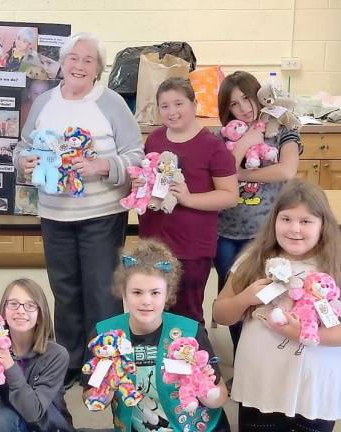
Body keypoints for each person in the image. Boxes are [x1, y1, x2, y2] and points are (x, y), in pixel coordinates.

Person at [14, 32, 143, 388]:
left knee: (102, 290)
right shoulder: (43, 103)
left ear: (99, 69)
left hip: (101, 214)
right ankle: (69, 361)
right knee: (65, 290)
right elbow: (23, 147)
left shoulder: (112, 103)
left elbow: (136, 156)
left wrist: (103, 166)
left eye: (89, 60)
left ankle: (105, 365)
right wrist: (22, 161)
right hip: (55, 213)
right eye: (73, 58)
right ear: (62, 63)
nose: (79, 65)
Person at [212, 179, 341, 432]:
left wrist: (301, 334)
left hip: (312, 390)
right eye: (286, 219)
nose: (294, 229)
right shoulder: (254, 259)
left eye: (306, 221)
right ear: (274, 221)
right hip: (261, 389)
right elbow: (220, 314)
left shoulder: (335, 266)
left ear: (323, 225)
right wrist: (245, 298)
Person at [82, 239, 230, 431]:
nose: (146, 301)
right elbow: (90, 398)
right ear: (123, 292)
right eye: (137, 292)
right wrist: (104, 389)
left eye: (155, 293)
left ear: (167, 294)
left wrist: (204, 390)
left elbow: (220, 396)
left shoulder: (190, 332)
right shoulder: (105, 337)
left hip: (195, 426)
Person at [135, 77, 238, 323]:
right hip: (154, 241)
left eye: (179, 104)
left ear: (194, 104)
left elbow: (230, 196)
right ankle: (158, 358)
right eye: (165, 106)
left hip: (191, 247)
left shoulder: (213, 146)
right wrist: (140, 185)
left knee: (186, 314)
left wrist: (189, 199)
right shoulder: (155, 139)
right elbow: (152, 178)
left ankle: (193, 358)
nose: (172, 112)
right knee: (152, 309)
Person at [214, 71, 301, 353]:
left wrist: (237, 175)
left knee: (269, 296)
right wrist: (242, 145)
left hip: (265, 234)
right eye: (234, 104)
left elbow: (286, 170)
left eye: (247, 98)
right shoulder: (223, 138)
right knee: (233, 298)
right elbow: (217, 174)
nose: (244, 108)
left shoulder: (284, 131)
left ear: (260, 95)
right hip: (226, 232)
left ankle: (265, 356)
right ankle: (241, 358)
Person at [0, 278, 74, 431]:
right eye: (13, 304)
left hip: (51, 427)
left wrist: (10, 366)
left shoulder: (56, 354)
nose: (20, 310)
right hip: (14, 425)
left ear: (40, 315)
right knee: (2, 416)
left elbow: (33, 413)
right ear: (3, 313)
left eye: (30, 305)